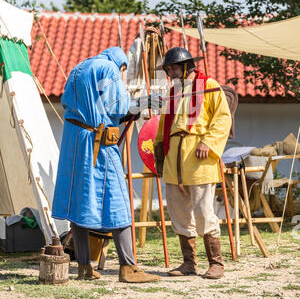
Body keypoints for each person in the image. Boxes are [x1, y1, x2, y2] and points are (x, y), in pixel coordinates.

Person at [52, 47, 160, 283]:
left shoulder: (78, 68)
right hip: (96, 142)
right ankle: (128, 268)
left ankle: (83, 267)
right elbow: (117, 108)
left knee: (79, 203)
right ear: (121, 65)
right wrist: (142, 103)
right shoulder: (109, 68)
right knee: (118, 201)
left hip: (74, 142)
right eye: (124, 72)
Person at [153, 47, 232, 279]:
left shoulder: (209, 85)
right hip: (173, 157)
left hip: (198, 156)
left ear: (187, 66)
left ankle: (216, 262)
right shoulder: (172, 93)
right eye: (168, 69)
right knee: (178, 212)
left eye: (174, 67)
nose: (171, 72)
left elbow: (223, 118)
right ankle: (189, 263)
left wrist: (208, 141)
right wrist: (159, 154)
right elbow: (162, 127)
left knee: (202, 211)